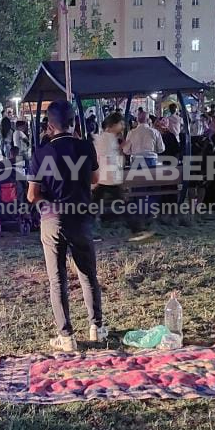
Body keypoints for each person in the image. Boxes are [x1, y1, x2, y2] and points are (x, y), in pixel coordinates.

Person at [28, 98, 106, 352]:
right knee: (87, 275)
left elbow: (32, 195)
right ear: (73, 123)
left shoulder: (41, 153)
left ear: (50, 126)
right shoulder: (86, 147)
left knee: (57, 279)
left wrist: (45, 202)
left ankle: (67, 336)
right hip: (81, 216)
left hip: (52, 218)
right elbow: (95, 178)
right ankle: (96, 327)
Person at [92, 111, 125, 217]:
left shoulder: (106, 138)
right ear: (114, 125)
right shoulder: (107, 139)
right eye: (121, 123)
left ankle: (89, 222)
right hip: (109, 178)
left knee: (95, 203)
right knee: (122, 202)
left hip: (104, 178)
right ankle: (136, 225)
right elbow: (106, 158)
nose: (122, 126)